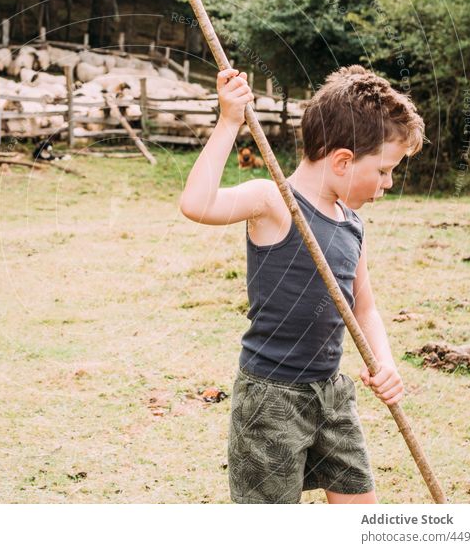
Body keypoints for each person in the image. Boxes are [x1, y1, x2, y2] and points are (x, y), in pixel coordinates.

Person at [179, 64, 426, 504]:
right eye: (385, 170)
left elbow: (363, 306)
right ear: (343, 161)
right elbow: (197, 204)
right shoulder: (274, 201)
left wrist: (384, 363)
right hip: (270, 402)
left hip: (332, 394)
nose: (388, 184)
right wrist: (229, 122)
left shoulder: (352, 224)